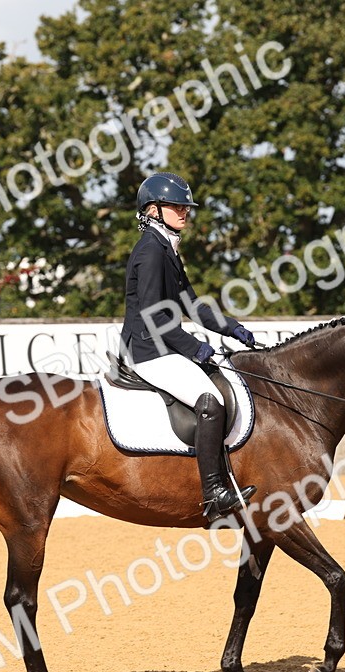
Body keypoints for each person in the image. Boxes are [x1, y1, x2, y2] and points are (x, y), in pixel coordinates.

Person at [118, 172, 257, 522]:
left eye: (186, 206)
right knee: (209, 401)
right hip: (148, 351)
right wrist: (194, 347)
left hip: (163, 346)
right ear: (152, 210)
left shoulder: (167, 249)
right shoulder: (151, 251)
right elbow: (153, 315)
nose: (185, 212)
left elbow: (193, 306)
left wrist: (232, 328)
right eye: (177, 206)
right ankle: (214, 493)